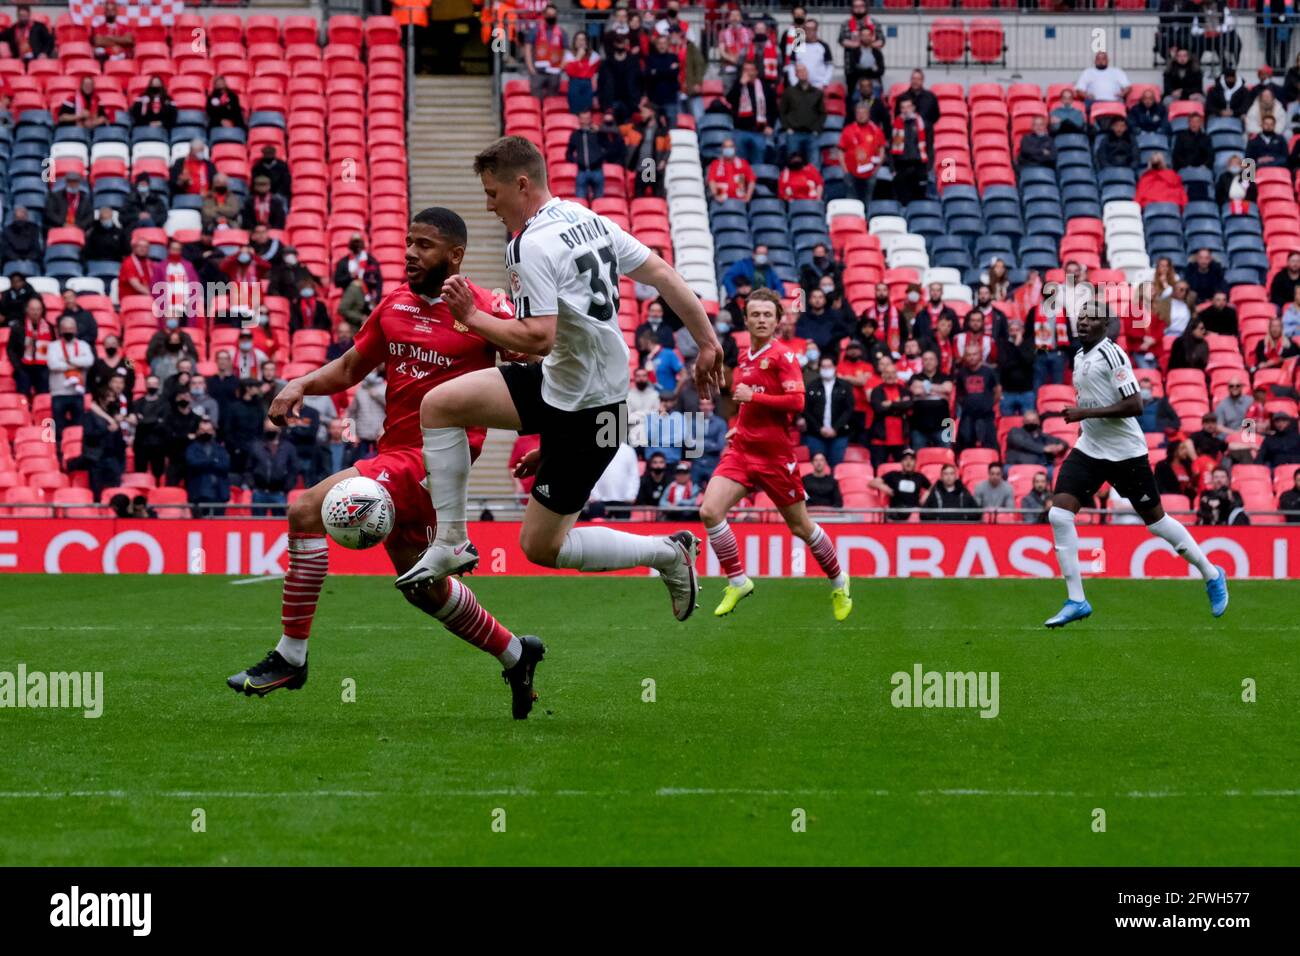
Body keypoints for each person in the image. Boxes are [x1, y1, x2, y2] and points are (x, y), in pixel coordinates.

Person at [398, 140, 724, 650]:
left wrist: (472, 316)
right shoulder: (584, 216)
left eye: (493, 193)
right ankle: (451, 540)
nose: (489, 205)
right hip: (565, 387)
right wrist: (707, 341)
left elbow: (537, 336)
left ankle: (668, 552)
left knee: (540, 546)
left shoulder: (529, 244)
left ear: (521, 185)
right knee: (440, 404)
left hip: (594, 413)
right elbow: (660, 273)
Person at [228, 208, 541, 713]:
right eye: (409, 242)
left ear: (455, 255)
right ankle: (514, 653)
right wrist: (302, 383)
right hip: (394, 455)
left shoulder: (487, 309)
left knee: (307, 510)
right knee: (425, 591)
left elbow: (536, 377)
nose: (411, 253)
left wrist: (548, 444)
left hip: (436, 463)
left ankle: (291, 656)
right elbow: (353, 365)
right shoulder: (394, 304)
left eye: (425, 245)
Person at [1043, 307, 1227, 628]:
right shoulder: (1079, 357)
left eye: (1091, 317)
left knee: (1156, 523)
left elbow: (1135, 405)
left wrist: (1086, 415)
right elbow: (1089, 400)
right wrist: (1085, 422)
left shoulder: (1113, 355)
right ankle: (1076, 600)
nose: (1084, 321)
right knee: (1059, 514)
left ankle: (1211, 573)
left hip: (1126, 453)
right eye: (1080, 316)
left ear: (1106, 324)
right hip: (1090, 448)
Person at [692, 289, 852, 620]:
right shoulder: (746, 358)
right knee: (710, 511)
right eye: (756, 314)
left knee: (801, 527)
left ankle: (838, 580)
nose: (762, 319)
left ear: (778, 320)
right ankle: (737, 580)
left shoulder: (784, 357)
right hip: (742, 451)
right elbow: (750, 404)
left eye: (768, 314)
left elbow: (797, 402)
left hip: (776, 458)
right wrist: (740, 425)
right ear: (747, 320)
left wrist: (753, 398)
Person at [802, 354, 854, 467]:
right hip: (815, 434)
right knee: (817, 467)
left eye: (829, 366)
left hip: (839, 434)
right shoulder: (812, 386)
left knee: (836, 466)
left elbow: (849, 410)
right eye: (823, 367)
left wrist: (835, 428)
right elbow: (806, 410)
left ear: (835, 367)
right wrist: (819, 428)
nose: (826, 369)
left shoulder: (845, 386)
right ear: (819, 368)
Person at [726, 61, 777, 166]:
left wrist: (770, 125)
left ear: (756, 72)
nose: (748, 73)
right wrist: (740, 84)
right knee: (740, 164)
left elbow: (773, 109)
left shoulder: (765, 87)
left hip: (759, 132)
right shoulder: (738, 85)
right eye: (745, 70)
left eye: (751, 70)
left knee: (758, 163)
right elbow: (730, 99)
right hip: (741, 131)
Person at [838, 99, 886, 208]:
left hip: (870, 173)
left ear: (868, 114)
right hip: (851, 173)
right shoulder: (848, 130)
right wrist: (845, 170)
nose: (861, 116)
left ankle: (867, 222)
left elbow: (882, 150)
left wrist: (876, 169)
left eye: (863, 113)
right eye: (858, 113)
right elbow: (841, 151)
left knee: (868, 200)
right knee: (851, 201)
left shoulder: (876, 130)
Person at [954, 342, 999, 452]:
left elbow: (997, 390)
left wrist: (988, 403)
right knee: (965, 443)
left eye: (974, 354)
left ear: (980, 355)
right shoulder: (961, 373)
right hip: (968, 415)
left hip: (986, 415)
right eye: (968, 355)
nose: (971, 357)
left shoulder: (989, 371)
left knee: (989, 445)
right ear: (965, 356)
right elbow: (959, 392)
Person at [185, 418, 230, 517]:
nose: (205, 433)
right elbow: (192, 463)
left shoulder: (220, 449)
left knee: (218, 526)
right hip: (199, 493)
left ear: (213, 432)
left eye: (208, 430)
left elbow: (225, 465)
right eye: (203, 430)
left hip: (219, 493)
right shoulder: (192, 448)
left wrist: (204, 464)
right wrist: (212, 462)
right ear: (197, 431)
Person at [870, 448, 931, 521]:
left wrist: (926, 494)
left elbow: (933, 488)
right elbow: (872, 483)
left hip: (913, 513)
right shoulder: (893, 475)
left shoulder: (920, 477)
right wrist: (884, 487)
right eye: (905, 459)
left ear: (915, 462)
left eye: (911, 459)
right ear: (901, 462)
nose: (908, 462)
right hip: (895, 511)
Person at [890, 98, 929, 206]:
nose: (905, 110)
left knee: (919, 197)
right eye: (903, 107)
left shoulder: (921, 123)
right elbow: (890, 149)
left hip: (918, 164)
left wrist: (927, 166)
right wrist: (892, 168)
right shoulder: (895, 125)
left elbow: (929, 145)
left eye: (908, 107)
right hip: (902, 165)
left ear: (913, 108)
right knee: (903, 198)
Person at [996, 317, 1036, 415]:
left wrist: (1018, 346)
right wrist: (1018, 359)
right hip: (1007, 392)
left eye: (1017, 330)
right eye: (1012, 330)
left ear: (1022, 331)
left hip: (1026, 391)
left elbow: (1029, 361)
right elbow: (1004, 364)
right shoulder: (1003, 344)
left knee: (1028, 424)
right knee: (1006, 423)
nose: (1014, 333)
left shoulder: (1029, 343)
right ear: (1008, 331)